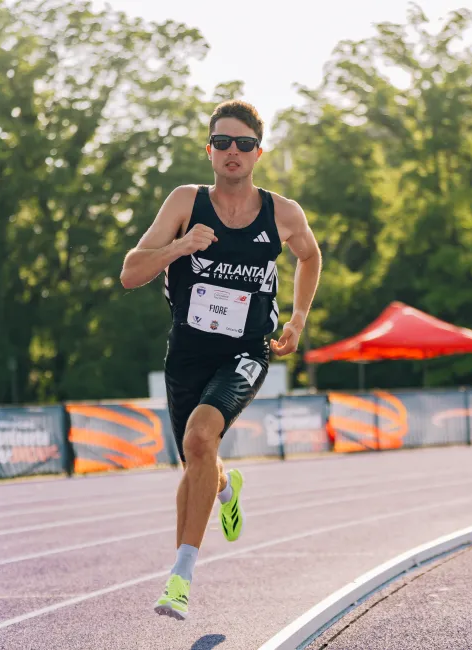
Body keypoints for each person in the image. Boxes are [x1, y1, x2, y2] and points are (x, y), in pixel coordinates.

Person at [120, 100, 322, 620]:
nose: (234, 152)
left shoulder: (283, 213)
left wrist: (298, 318)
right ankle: (228, 486)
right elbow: (130, 272)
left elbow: (310, 255)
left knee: (198, 438)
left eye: (245, 144)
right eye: (224, 143)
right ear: (209, 149)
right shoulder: (186, 202)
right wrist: (180, 246)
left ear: (259, 152)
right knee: (197, 463)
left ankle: (180, 578)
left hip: (246, 351)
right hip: (188, 353)